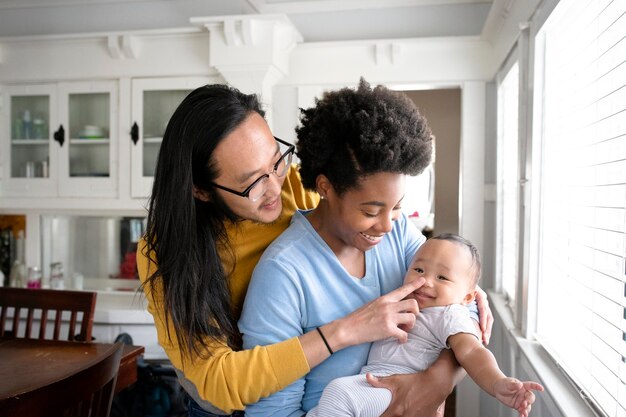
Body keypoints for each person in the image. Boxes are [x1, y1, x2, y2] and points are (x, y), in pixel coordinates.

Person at [136, 83, 492, 417]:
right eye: (253, 183)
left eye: (277, 161)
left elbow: (443, 290)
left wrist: (441, 370)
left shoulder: (298, 184)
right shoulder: (168, 254)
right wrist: (345, 331)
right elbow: (218, 380)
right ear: (200, 190)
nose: (276, 186)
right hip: (228, 402)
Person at [238, 79, 496, 417]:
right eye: (371, 211)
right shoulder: (283, 273)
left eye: (398, 207)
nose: (388, 225)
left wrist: (435, 382)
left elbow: (459, 304)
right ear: (326, 188)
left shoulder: (398, 232)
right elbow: (270, 413)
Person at [307, 233, 544, 417]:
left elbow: (472, 351)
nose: (425, 281)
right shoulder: (402, 302)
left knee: (339, 394)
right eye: (418, 270)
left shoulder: (449, 314)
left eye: (442, 277)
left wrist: (498, 382)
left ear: (468, 298)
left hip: (395, 389)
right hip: (376, 385)